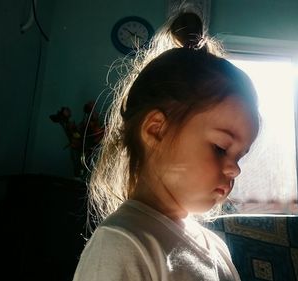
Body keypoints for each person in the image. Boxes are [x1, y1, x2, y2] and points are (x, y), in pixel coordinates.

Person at [72, 11, 260, 281]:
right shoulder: (124, 243)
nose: (235, 170)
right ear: (156, 130)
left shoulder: (216, 247)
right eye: (221, 148)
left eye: (240, 156)